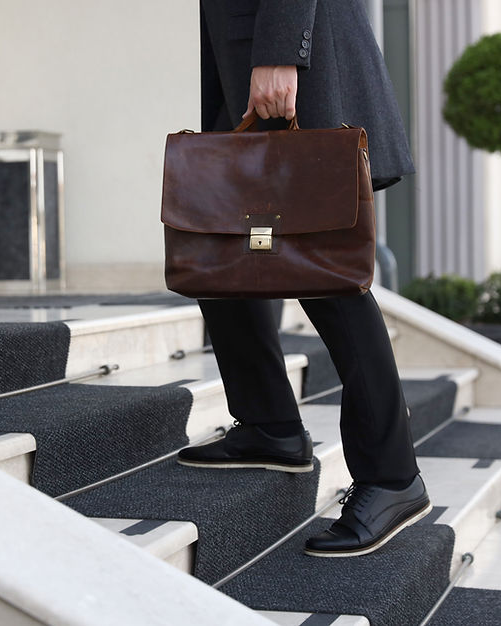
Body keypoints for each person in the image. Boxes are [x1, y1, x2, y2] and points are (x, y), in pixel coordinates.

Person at [177, 0, 432, 557]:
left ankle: (393, 477)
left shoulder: (281, 53)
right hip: (244, 54)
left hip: (292, 48)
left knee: (327, 271)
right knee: (216, 250)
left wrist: (280, 52)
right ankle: (270, 425)